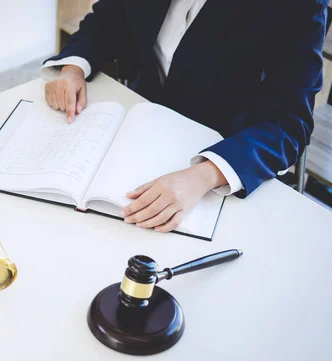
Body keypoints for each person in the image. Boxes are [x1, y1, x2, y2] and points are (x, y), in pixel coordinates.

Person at [42, 0, 327, 232]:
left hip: (223, 153)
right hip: (140, 119)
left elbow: (290, 123)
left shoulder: (299, 6)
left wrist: (203, 176)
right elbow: (109, 18)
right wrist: (73, 68)